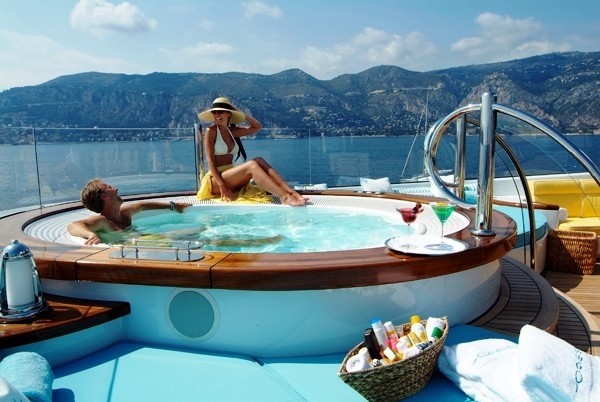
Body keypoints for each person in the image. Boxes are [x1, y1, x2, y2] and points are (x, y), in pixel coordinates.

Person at [197, 97, 307, 206]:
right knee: (252, 165)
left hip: (232, 177)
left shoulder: (232, 131)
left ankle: (291, 192)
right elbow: (210, 162)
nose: (217, 115)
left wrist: (241, 113)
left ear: (229, 114)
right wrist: (222, 186)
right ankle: (284, 197)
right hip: (217, 181)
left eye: (220, 112)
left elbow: (257, 127)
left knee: (259, 160)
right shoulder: (211, 131)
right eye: (214, 112)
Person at [67, 179, 190, 245]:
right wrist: (90, 235)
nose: (116, 189)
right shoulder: (103, 221)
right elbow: (72, 226)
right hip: (134, 250)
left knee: (194, 233)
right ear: (104, 196)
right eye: (110, 188)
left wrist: (174, 206)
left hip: (148, 241)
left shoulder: (124, 213)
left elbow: (142, 206)